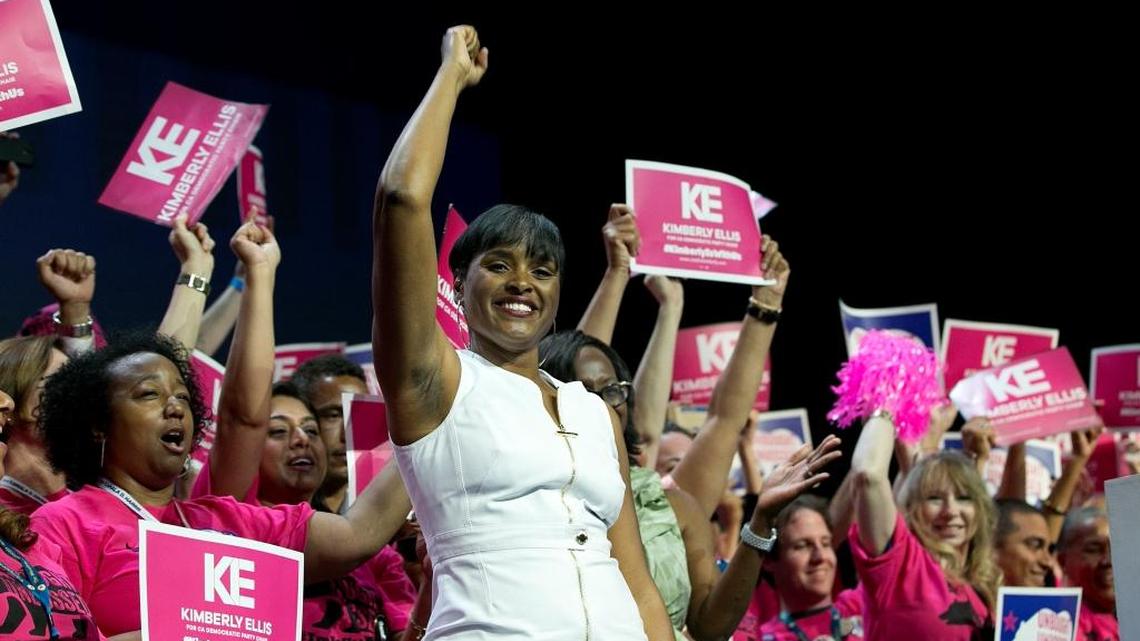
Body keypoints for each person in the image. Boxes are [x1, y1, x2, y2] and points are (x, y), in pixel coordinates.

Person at [371, 25, 673, 639]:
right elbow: (402, 198)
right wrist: (451, 78)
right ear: (457, 284)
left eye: (542, 270)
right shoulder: (436, 383)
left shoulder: (593, 412)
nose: (522, 284)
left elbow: (635, 579)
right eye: (499, 265)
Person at [849, 412, 999, 640]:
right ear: (910, 507)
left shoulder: (982, 585)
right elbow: (868, 475)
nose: (951, 511)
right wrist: (885, 405)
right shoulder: (901, 565)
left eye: (964, 498)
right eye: (934, 498)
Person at [1058, 507, 1117, 641]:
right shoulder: (1058, 625)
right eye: (1094, 550)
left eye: (1116, 549)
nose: (1108, 561)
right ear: (1063, 561)